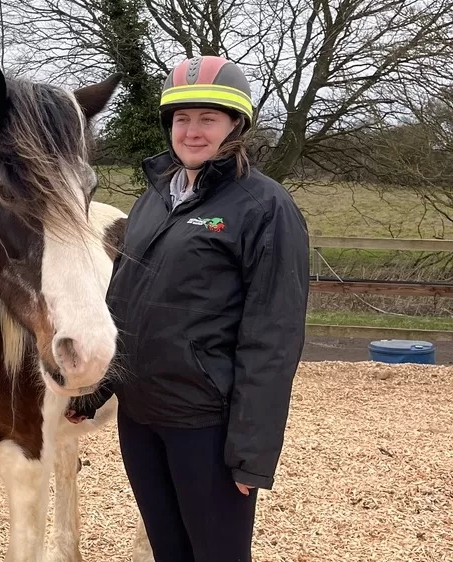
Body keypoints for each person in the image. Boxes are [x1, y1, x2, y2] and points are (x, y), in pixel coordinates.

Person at [69, 55, 310, 561]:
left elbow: (274, 336)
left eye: (208, 119)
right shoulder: (153, 200)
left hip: (206, 427)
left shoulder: (265, 208)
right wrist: (96, 390)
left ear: (236, 126)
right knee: (168, 552)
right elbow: (125, 304)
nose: (192, 131)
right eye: (182, 118)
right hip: (141, 421)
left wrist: (251, 455)